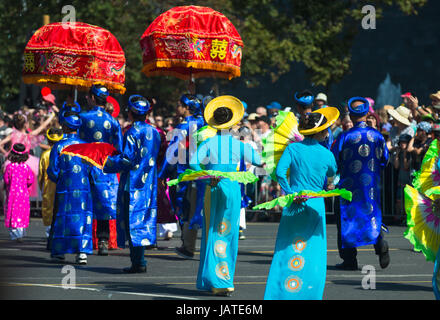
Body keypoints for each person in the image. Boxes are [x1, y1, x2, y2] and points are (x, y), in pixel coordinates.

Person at [189, 96, 263, 297]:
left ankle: (210, 280)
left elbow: (193, 163)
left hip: (212, 187)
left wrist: (208, 175)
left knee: (211, 233)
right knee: (228, 234)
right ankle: (223, 280)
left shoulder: (210, 142)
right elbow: (258, 160)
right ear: (232, 123)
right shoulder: (238, 144)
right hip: (231, 189)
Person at [264, 107, 339, 300]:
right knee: (313, 253)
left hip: (294, 203)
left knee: (286, 249)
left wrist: (290, 193)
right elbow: (332, 174)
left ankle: (281, 294)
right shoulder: (327, 154)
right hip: (315, 205)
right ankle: (309, 294)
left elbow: (280, 173)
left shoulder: (292, 148)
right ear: (322, 132)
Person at [103, 95, 161, 273]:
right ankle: (139, 260)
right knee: (142, 221)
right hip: (149, 183)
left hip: (132, 183)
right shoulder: (155, 132)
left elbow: (127, 159)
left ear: (130, 113)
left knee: (131, 223)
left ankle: (138, 262)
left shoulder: (132, 132)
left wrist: (107, 163)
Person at [332, 97, 390, 271]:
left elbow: (334, 159)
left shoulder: (345, 136)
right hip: (371, 185)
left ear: (350, 113)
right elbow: (385, 159)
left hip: (348, 186)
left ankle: (349, 259)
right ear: (366, 113)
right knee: (371, 214)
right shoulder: (377, 136)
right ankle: (379, 244)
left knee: (346, 219)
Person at [159, 94, 205, 259]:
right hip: (203, 172)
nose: (177, 107)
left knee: (184, 207)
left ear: (186, 108)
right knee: (197, 208)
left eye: (179, 105)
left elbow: (172, 153)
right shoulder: (203, 124)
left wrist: (163, 173)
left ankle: (188, 245)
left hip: (184, 172)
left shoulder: (184, 127)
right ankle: (192, 245)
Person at [79, 84, 122, 256]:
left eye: (88, 96)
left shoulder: (82, 117)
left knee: (84, 202)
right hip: (105, 167)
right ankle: (103, 241)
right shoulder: (113, 121)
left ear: (92, 98)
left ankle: (83, 240)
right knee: (104, 204)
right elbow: (119, 148)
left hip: (84, 165)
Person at [47, 110, 93, 264]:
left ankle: (60, 251)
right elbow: (93, 169)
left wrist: (60, 179)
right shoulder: (87, 146)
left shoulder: (59, 146)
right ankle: (82, 252)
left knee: (63, 219)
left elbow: (52, 171)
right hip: (83, 189)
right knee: (83, 217)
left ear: (65, 126)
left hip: (64, 190)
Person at [3, 143, 34, 242]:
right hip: (23, 194)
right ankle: (20, 233)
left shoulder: (10, 167)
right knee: (22, 212)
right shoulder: (26, 167)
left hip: (12, 194)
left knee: (13, 212)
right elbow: (30, 180)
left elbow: (6, 180)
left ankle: (15, 234)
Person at [38, 128, 63, 238]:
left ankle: (49, 232)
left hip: (49, 185)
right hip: (61, 184)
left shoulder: (45, 154)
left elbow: (41, 174)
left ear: (48, 140)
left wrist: (40, 187)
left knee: (48, 207)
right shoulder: (63, 153)